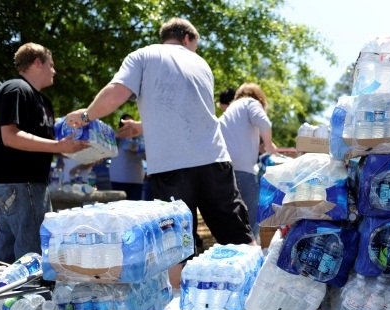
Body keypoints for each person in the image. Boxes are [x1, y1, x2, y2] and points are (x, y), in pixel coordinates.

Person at [65, 18, 256, 258]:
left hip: (171, 167)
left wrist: (85, 115)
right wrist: (141, 127)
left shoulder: (143, 56)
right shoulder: (201, 63)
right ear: (187, 39)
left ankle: (177, 294)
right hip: (214, 161)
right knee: (238, 236)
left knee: (176, 246)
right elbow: (192, 116)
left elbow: (117, 92)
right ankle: (256, 287)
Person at [0, 42, 89, 263]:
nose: (54, 71)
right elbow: (10, 136)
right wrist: (59, 146)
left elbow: (49, 143)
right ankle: (30, 298)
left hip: (26, 184)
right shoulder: (16, 89)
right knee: (32, 252)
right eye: (50, 65)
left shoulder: (42, 101)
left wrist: (82, 150)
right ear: (36, 63)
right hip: (20, 182)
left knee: (7, 251)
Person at [219, 83, 278, 240]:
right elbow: (264, 123)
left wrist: (262, 146)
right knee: (251, 223)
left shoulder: (231, 111)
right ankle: (250, 256)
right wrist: (270, 146)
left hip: (223, 171)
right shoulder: (251, 103)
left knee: (232, 222)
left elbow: (238, 140)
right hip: (243, 171)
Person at [109, 113, 145, 200]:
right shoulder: (116, 137)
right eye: (125, 124)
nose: (128, 126)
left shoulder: (140, 137)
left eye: (130, 123)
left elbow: (146, 156)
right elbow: (106, 146)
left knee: (135, 210)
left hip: (136, 180)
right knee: (118, 210)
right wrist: (118, 134)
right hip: (118, 179)